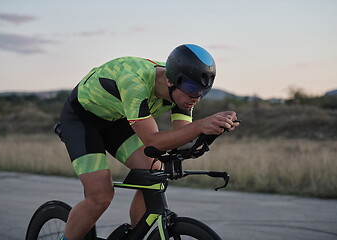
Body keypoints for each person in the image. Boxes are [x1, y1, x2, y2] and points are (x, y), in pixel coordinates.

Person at [58, 44, 240, 240]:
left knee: (154, 173)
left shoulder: (184, 92)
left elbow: (181, 137)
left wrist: (213, 131)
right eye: (192, 89)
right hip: (83, 120)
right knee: (100, 197)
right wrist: (200, 125)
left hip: (117, 120)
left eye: (203, 92)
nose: (196, 97)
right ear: (171, 81)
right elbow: (153, 142)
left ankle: (137, 235)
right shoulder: (135, 82)